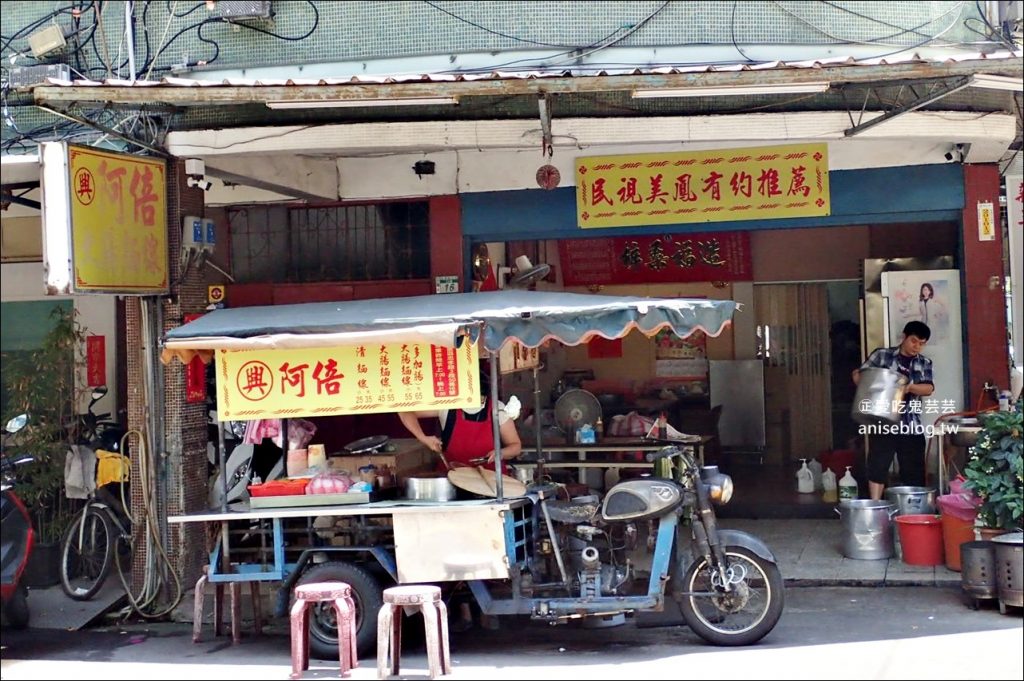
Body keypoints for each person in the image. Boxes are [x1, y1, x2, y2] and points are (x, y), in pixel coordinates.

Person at [852, 321, 935, 501]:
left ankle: (912, 511)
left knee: (913, 471)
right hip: (882, 422)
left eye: (921, 343)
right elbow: (861, 375)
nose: (917, 346)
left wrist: (908, 388)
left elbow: (928, 388)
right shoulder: (883, 355)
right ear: (903, 337)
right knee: (877, 467)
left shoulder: (924, 362)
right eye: (914, 341)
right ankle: (875, 506)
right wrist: (861, 378)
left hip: (910, 424)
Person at [397, 369, 522, 475]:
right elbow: (405, 411)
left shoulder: (497, 409)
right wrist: (423, 438)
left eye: (481, 399)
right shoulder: (447, 406)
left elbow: (515, 446)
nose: (476, 403)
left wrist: (500, 453)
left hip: (491, 480)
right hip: (453, 478)